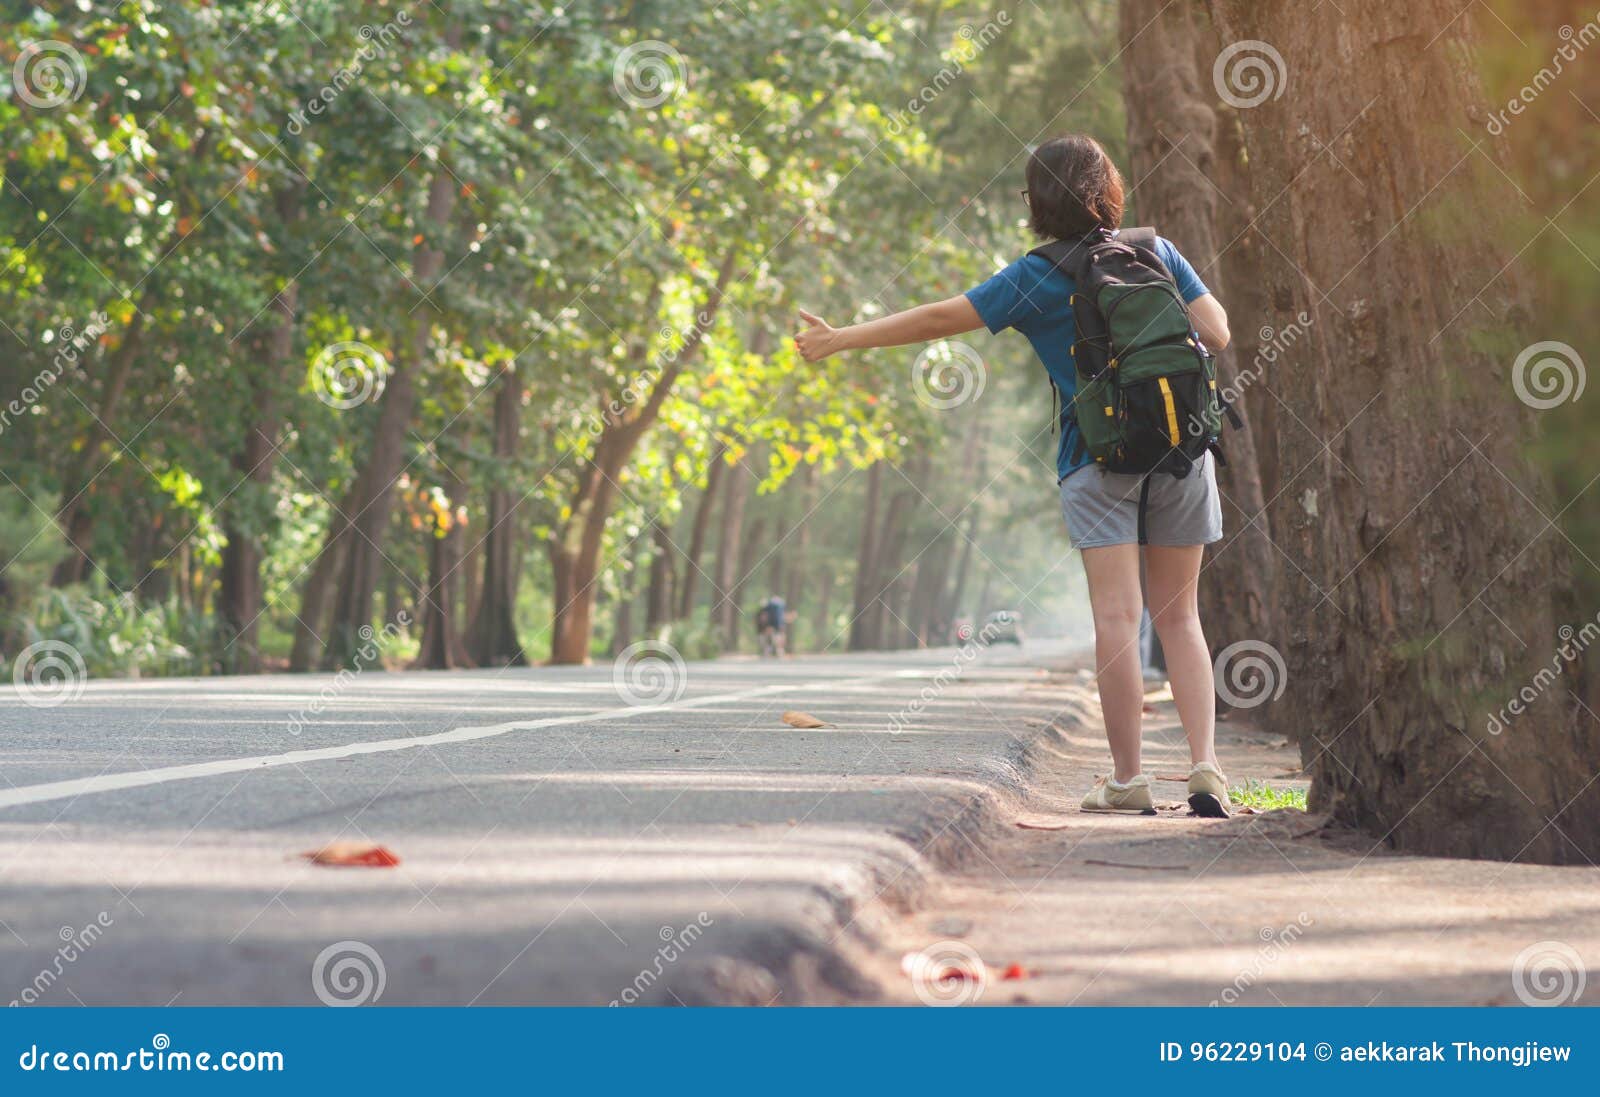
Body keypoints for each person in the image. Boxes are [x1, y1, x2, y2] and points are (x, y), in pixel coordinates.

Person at [793, 134, 1233, 818]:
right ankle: (1205, 766)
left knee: (1117, 616)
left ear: (1037, 204)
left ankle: (1129, 778)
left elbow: (941, 317)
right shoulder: (1155, 249)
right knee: (1180, 615)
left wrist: (839, 337)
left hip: (1095, 457)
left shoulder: (1031, 277)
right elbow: (1218, 331)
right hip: (1182, 447)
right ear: (1109, 189)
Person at [757, 593, 787, 658]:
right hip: (777, 626)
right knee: (776, 641)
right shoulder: (780, 606)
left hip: (771, 626)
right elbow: (783, 617)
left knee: (770, 640)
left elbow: (764, 617)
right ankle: (778, 653)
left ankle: (769, 653)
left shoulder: (769, 607)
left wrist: (767, 626)